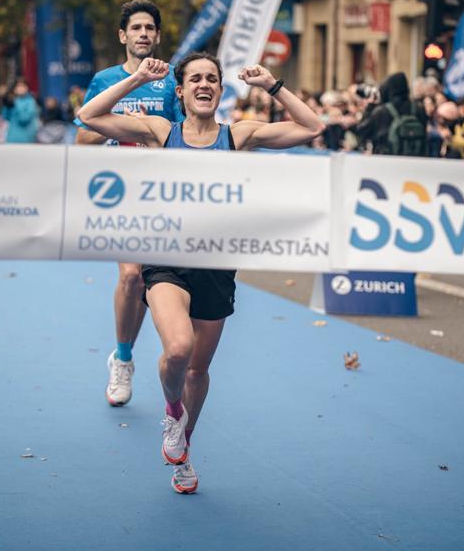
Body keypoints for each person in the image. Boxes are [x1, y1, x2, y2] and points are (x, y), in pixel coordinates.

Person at [78, 52, 325, 494]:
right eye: (195, 79)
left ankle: (184, 448)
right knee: (178, 349)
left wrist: (272, 85)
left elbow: (312, 127)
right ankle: (173, 414)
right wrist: (136, 79)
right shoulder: (161, 132)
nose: (204, 84)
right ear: (181, 91)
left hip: (216, 264)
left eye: (212, 78)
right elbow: (89, 114)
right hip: (166, 259)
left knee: (197, 370)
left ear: (219, 90)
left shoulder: (238, 136)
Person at [74, 0, 182, 408]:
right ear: (123, 36)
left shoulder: (174, 79)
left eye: (149, 28)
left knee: (147, 285)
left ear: (156, 36)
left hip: (161, 192)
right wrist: (120, 126)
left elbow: (185, 133)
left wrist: (151, 131)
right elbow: (82, 139)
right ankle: (122, 360)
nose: (142, 34)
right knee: (131, 277)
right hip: (119, 193)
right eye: (135, 28)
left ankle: (143, 352)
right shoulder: (105, 80)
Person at [3, 78, 39, 143]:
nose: (20, 88)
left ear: (27, 88)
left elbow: (24, 119)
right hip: (12, 138)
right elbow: (5, 117)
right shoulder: (12, 100)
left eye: (23, 86)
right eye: (18, 86)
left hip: (26, 139)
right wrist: (7, 105)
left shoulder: (30, 101)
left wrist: (16, 103)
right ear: (14, 89)